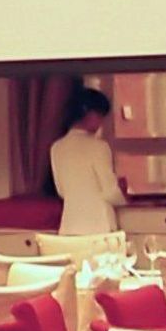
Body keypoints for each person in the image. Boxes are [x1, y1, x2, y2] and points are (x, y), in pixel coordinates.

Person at [49, 84, 124, 237]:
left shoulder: (56, 147)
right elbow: (109, 190)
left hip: (69, 227)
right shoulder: (99, 147)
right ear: (89, 113)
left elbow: (61, 191)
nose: (101, 123)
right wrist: (124, 199)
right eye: (100, 116)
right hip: (100, 226)